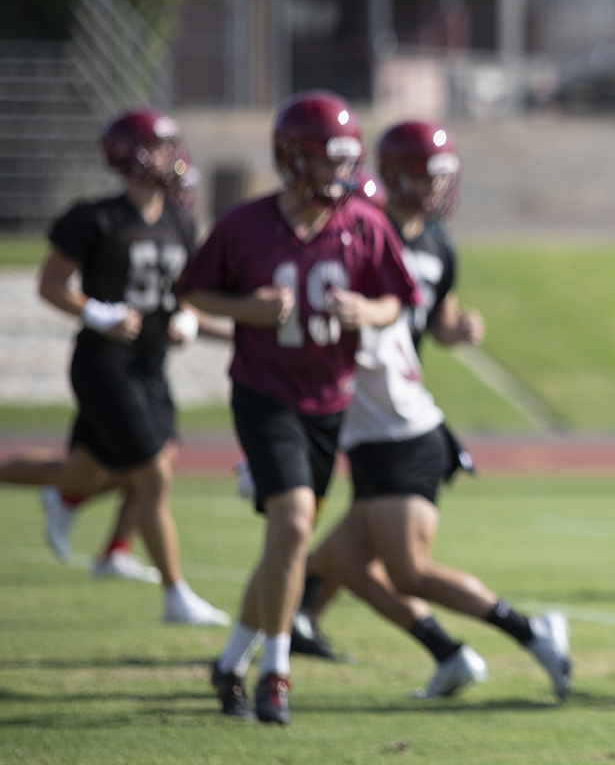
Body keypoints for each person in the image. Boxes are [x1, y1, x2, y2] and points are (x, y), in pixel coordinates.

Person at [292, 120, 571, 698]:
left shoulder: (437, 242)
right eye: (427, 176)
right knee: (346, 564)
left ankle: (531, 632)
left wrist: (457, 328)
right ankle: (445, 655)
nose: (439, 188)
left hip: (397, 419)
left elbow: (431, 317)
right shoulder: (367, 233)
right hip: (376, 418)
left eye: (442, 176)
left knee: (405, 570)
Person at [179, 91, 416, 725]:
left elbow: (395, 297)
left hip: (328, 399)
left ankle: (229, 661)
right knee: (293, 520)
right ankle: (276, 672)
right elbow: (195, 289)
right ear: (289, 160)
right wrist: (244, 309)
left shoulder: (364, 223)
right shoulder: (246, 225)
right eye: (324, 161)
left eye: (344, 161)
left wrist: (367, 312)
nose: (338, 175)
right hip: (264, 391)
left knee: (288, 538)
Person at [0, 109, 229, 625]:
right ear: (136, 155)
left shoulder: (180, 218)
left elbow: (186, 296)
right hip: (104, 365)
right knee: (152, 476)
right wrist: (98, 313)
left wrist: (192, 323)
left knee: (92, 472)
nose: (174, 157)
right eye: (163, 147)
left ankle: (71, 510)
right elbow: (50, 285)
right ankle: (176, 595)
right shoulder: (95, 218)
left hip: (150, 364)